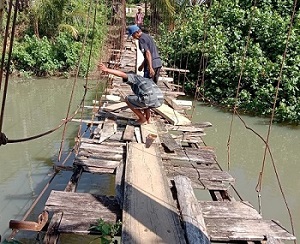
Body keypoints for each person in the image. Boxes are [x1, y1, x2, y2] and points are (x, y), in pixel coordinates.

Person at [98, 63, 164, 125]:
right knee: (146, 100)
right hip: (160, 100)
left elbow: (121, 74)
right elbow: (148, 102)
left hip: (150, 98)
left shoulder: (133, 77)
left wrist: (106, 69)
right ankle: (148, 119)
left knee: (127, 99)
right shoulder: (144, 79)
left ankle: (142, 119)